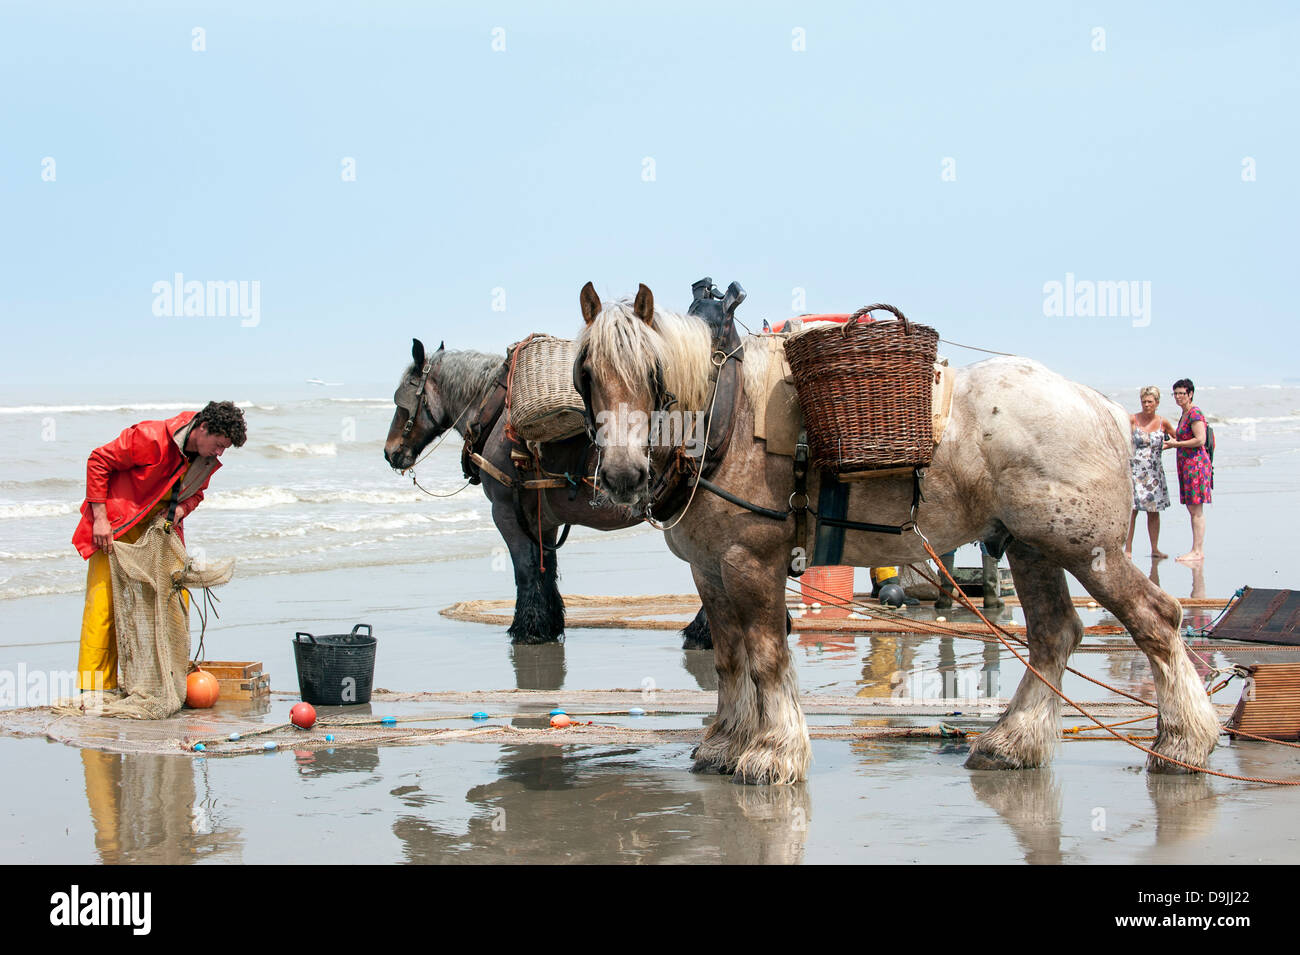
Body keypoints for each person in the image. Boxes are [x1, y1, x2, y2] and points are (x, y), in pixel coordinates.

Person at [72, 401, 247, 691]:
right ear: (202, 428)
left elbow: (197, 493)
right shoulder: (151, 437)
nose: (219, 453)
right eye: (218, 445)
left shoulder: (205, 458)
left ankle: (165, 679)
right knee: (104, 606)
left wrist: (182, 510)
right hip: (117, 528)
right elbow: (98, 461)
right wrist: (100, 519)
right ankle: (94, 689)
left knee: (176, 600)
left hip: (161, 531)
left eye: (224, 448)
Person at [1162, 378, 1210, 562]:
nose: (1178, 397)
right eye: (1175, 393)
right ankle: (1196, 549)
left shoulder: (1194, 413)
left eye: (1182, 393)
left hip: (1196, 465)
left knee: (1196, 510)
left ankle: (1197, 551)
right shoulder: (1185, 414)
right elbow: (1180, 439)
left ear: (1190, 394)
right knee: (1192, 509)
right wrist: (1170, 444)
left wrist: (1177, 444)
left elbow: (1200, 439)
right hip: (1187, 465)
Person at [1125, 386, 1175, 558]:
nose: (1146, 404)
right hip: (1134, 471)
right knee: (1132, 511)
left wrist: (1166, 446)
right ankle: (1128, 549)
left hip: (1154, 473)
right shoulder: (1132, 420)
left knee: (1153, 512)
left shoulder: (1163, 423)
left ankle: (1155, 549)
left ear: (1157, 403)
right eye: (1144, 401)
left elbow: (1177, 439)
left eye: (1150, 402)